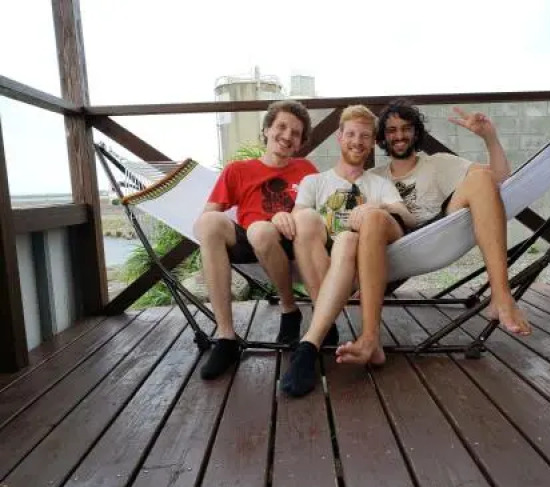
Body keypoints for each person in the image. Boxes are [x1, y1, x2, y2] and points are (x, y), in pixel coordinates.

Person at [280, 104, 416, 397]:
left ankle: (309, 344)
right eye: (351, 134)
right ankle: (325, 320)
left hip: (364, 268)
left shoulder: (379, 184)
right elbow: (298, 222)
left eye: (365, 136)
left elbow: (406, 215)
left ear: (372, 142)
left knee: (347, 239)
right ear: (339, 137)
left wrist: (375, 207)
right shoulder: (314, 182)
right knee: (305, 218)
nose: (357, 141)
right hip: (323, 268)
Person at [371, 99, 532, 335]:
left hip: (435, 232)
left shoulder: (438, 163)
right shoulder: (373, 177)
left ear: (416, 132)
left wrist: (489, 137)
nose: (400, 135)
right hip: (393, 242)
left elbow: (498, 177)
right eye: (392, 130)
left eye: (406, 128)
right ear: (383, 138)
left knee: (482, 179)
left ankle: (501, 295)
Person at [194, 100, 318, 380]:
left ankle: (289, 309)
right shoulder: (237, 170)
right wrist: (213, 234)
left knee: (261, 231)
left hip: (292, 241)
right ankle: (226, 336)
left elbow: (320, 214)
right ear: (266, 130)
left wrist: (289, 218)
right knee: (211, 223)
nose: (287, 135)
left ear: (300, 143)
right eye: (281, 127)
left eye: (296, 133)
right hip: (247, 242)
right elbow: (206, 217)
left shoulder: (306, 169)